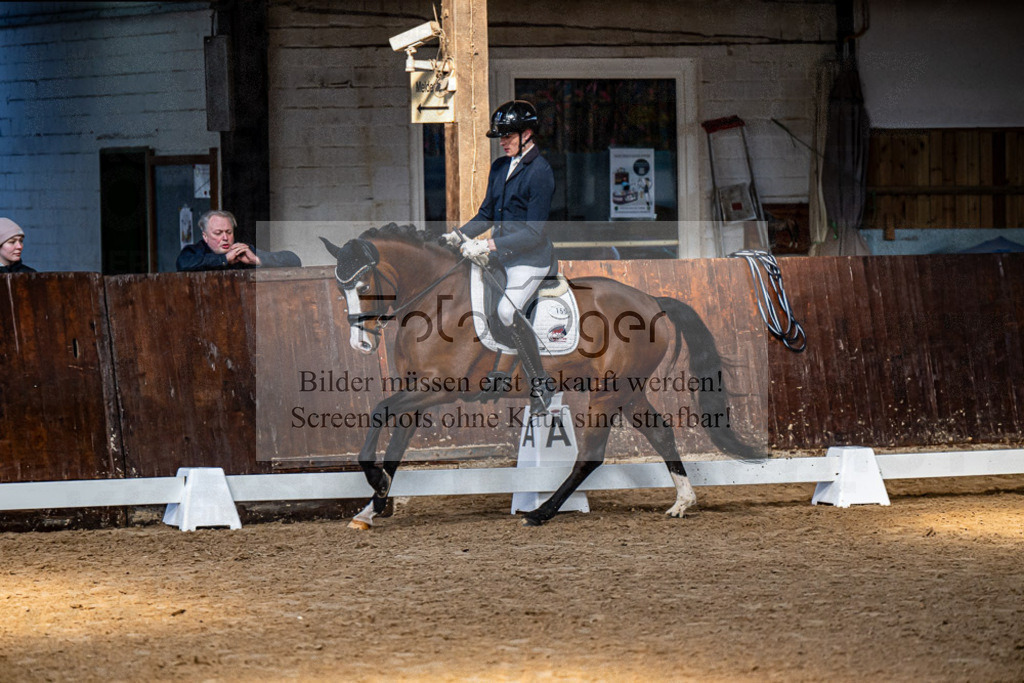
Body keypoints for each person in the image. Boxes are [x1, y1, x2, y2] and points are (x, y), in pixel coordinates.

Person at [441, 100, 556, 414]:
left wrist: (487, 247)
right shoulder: (499, 168)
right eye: (501, 137)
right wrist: (459, 235)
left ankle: (541, 383)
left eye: (508, 136)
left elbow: (534, 233)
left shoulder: (541, 173)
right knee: (474, 299)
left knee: (506, 311)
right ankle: (500, 371)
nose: (503, 142)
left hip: (530, 258)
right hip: (501, 255)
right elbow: (487, 213)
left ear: (528, 134)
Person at [176, 210, 301, 272]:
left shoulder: (241, 251)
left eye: (229, 232)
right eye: (218, 233)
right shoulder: (194, 252)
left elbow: (293, 260)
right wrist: (224, 260)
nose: (225, 238)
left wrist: (257, 260)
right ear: (205, 236)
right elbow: (183, 264)